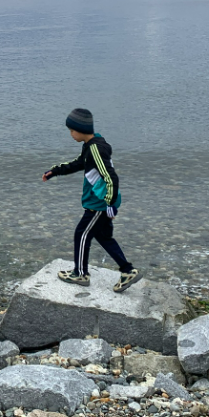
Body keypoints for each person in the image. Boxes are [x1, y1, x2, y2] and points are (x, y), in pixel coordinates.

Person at [42, 108, 142, 293]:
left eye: (71, 130)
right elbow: (80, 163)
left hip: (99, 203)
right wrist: (56, 171)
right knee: (104, 237)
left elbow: (111, 177)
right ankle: (127, 271)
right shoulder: (92, 145)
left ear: (79, 129)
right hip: (101, 202)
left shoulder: (96, 148)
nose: (70, 134)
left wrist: (110, 204)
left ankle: (80, 273)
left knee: (81, 234)